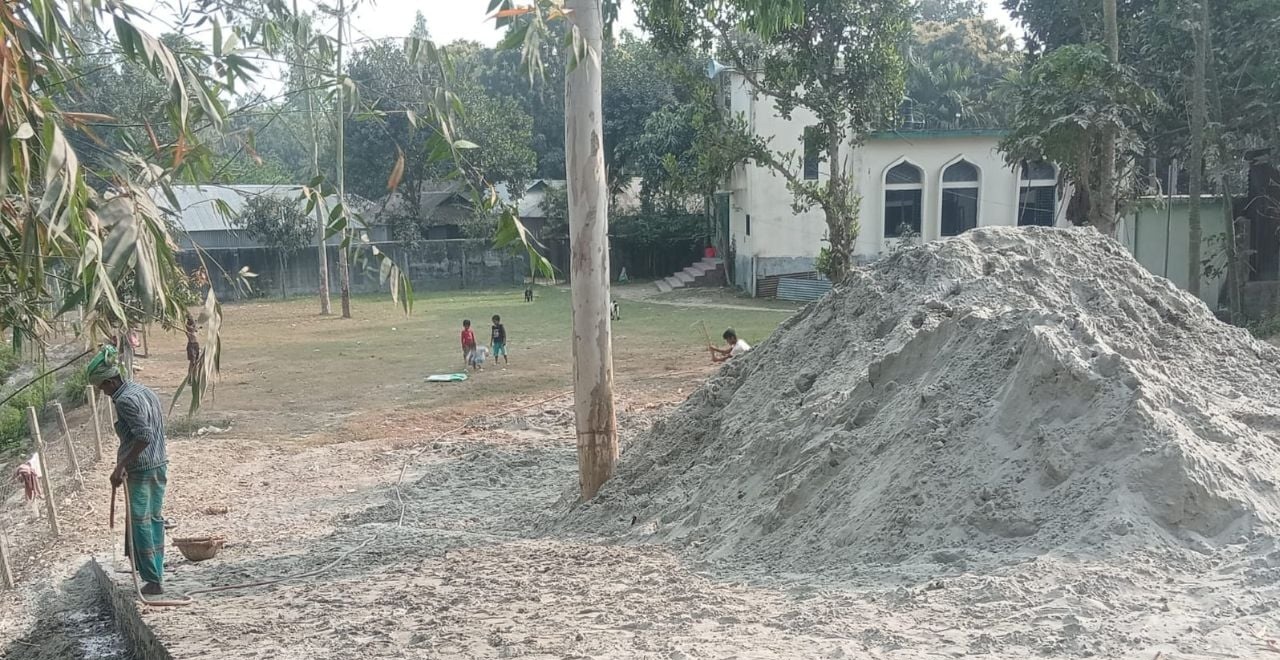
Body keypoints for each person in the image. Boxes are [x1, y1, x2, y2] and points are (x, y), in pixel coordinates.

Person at [87, 345, 168, 596]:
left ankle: (153, 579)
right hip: (159, 463)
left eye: (102, 387)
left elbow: (144, 436)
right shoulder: (144, 390)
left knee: (141, 522)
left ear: (110, 381)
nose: (103, 392)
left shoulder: (124, 400)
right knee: (154, 519)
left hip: (141, 469)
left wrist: (121, 465)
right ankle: (154, 571)